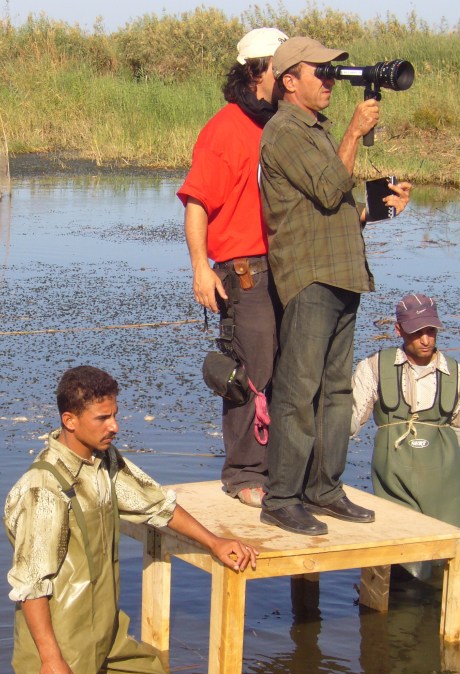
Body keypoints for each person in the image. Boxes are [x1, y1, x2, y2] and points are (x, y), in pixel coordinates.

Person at [4, 365, 257, 674]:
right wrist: (52, 660)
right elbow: (31, 585)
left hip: (106, 631)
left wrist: (214, 542)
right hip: (64, 638)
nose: (114, 427)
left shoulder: (104, 461)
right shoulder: (44, 489)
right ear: (70, 420)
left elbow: (156, 503)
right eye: (102, 418)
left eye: (115, 415)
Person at [257, 37, 412, 535]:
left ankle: (324, 489)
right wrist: (354, 129)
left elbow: (335, 206)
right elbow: (328, 186)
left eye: (331, 72)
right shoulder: (283, 131)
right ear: (289, 81)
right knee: (300, 389)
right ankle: (281, 497)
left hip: (343, 272)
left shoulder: (317, 130)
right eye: (318, 72)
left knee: (337, 391)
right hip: (310, 276)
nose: (328, 80)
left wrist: (380, 205)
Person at [177, 27, 288, 508]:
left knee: (290, 371)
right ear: (256, 71)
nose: (285, 77)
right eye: (278, 67)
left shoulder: (282, 124)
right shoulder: (225, 128)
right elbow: (197, 203)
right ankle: (245, 475)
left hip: (286, 265)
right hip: (243, 271)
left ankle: (282, 471)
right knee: (249, 372)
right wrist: (202, 268)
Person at [350, 292, 460, 533]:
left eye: (431, 331)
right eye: (417, 332)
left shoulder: (458, 374)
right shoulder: (373, 367)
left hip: (444, 482)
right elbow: (352, 423)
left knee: (444, 548)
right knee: (396, 547)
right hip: (392, 478)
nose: (426, 340)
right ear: (399, 330)